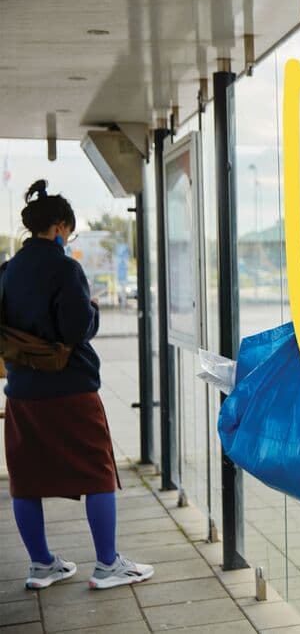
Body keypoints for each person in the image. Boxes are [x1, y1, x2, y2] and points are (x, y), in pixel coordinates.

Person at [2, 180, 154, 590]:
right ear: (61, 227)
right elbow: (75, 328)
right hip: (71, 390)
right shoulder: (66, 268)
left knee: (26, 480)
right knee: (97, 473)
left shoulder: (7, 270)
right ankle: (107, 564)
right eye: (70, 232)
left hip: (22, 392)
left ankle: (41, 565)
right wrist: (92, 310)